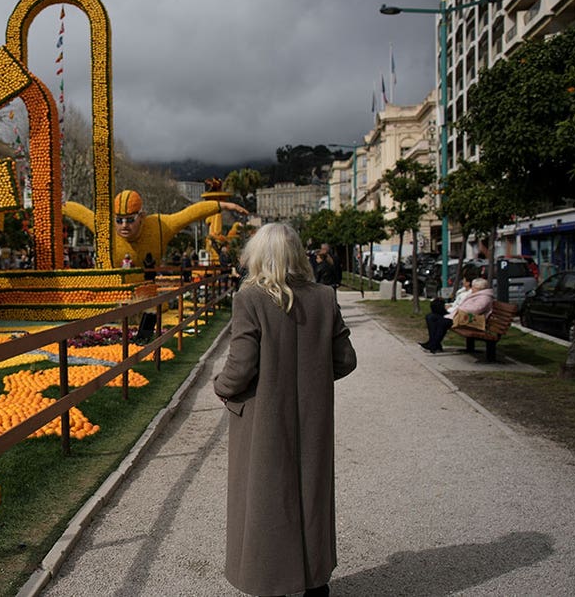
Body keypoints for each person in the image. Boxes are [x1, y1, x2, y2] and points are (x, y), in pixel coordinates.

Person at [212, 222, 357, 597]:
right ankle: (314, 583)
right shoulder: (325, 296)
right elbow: (345, 359)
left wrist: (221, 388)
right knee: (311, 495)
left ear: (257, 256)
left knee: (264, 500)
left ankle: (270, 582)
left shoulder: (251, 299)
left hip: (263, 419)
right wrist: (314, 381)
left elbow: (241, 366)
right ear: (297, 254)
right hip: (313, 419)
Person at [62, 189, 247, 268]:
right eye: (119, 220)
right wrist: (51, 202)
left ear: (142, 217)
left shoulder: (159, 226)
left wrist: (224, 206)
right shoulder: (105, 228)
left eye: (130, 220)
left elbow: (190, 213)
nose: (124, 226)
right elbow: (79, 212)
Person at [421, 272, 476, 353]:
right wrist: (449, 305)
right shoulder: (462, 291)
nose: (462, 282)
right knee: (430, 317)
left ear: (468, 283)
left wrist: (448, 308)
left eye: (464, 280)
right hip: (452, 311)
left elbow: (462, 307)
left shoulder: (469, 294)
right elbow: (456, 303)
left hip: (457, 315)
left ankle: (434, 344)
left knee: (441, 321)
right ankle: (434, 343)